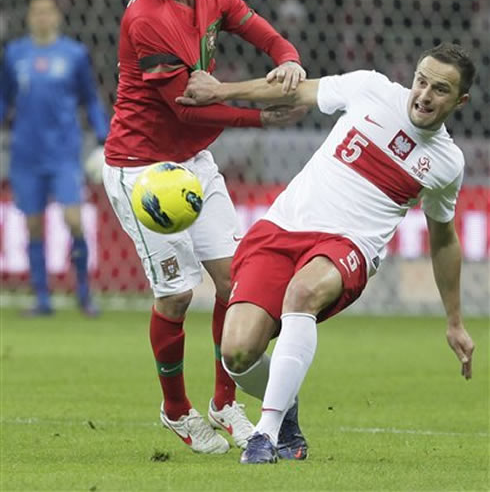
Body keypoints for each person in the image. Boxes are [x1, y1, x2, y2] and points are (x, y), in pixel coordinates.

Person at [179, 42, 477, 463]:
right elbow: (293, 90)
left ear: (460, 100)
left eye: (440, 90)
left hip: (349, 245)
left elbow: (444, 238)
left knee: (301, 293)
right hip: (282, 229)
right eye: (421, 81)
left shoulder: (446, 163)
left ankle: (264, 434)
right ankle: (285, 405)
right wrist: (221, 91)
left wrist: (455, 321)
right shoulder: (370, 89)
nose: (424, 95)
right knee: (237, 354)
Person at [102, 0, 306, 455]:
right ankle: (177, 412)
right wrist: (260, 115)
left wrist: (286, 55)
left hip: (194, 162)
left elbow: (263, 33)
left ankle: (222, 402)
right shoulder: (146, 18)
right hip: (142, 170)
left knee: (235, 285)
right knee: (175, 295)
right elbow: (185, 106)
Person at [0, 0, 109, 316]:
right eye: (36, 12)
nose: (42, 18)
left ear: (57, 17)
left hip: (64, 151)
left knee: (73, 220)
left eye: (48, 12)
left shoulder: (75, 54)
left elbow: (89, 98)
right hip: (26, 152)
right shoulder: (14, 54)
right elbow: (5, 100)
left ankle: (84, 295)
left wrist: (104, 134)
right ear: (30, 17)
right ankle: (42, 299)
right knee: (33, 224)